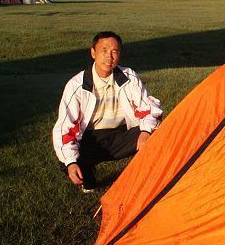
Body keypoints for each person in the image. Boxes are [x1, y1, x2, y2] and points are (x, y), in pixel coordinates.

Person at [52, 31, 162, 192]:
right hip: (91, 139)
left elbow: (149, 108)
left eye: (114, 51)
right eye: (104, 50)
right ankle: (88, 178)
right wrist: (71, 162)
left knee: (157, 133)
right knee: (67, 159)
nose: (109, 57)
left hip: (122, 134)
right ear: (93, 53)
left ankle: (146, 178)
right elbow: (65, 127)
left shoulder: (129, 77)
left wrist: (146, 133)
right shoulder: (77, 85)